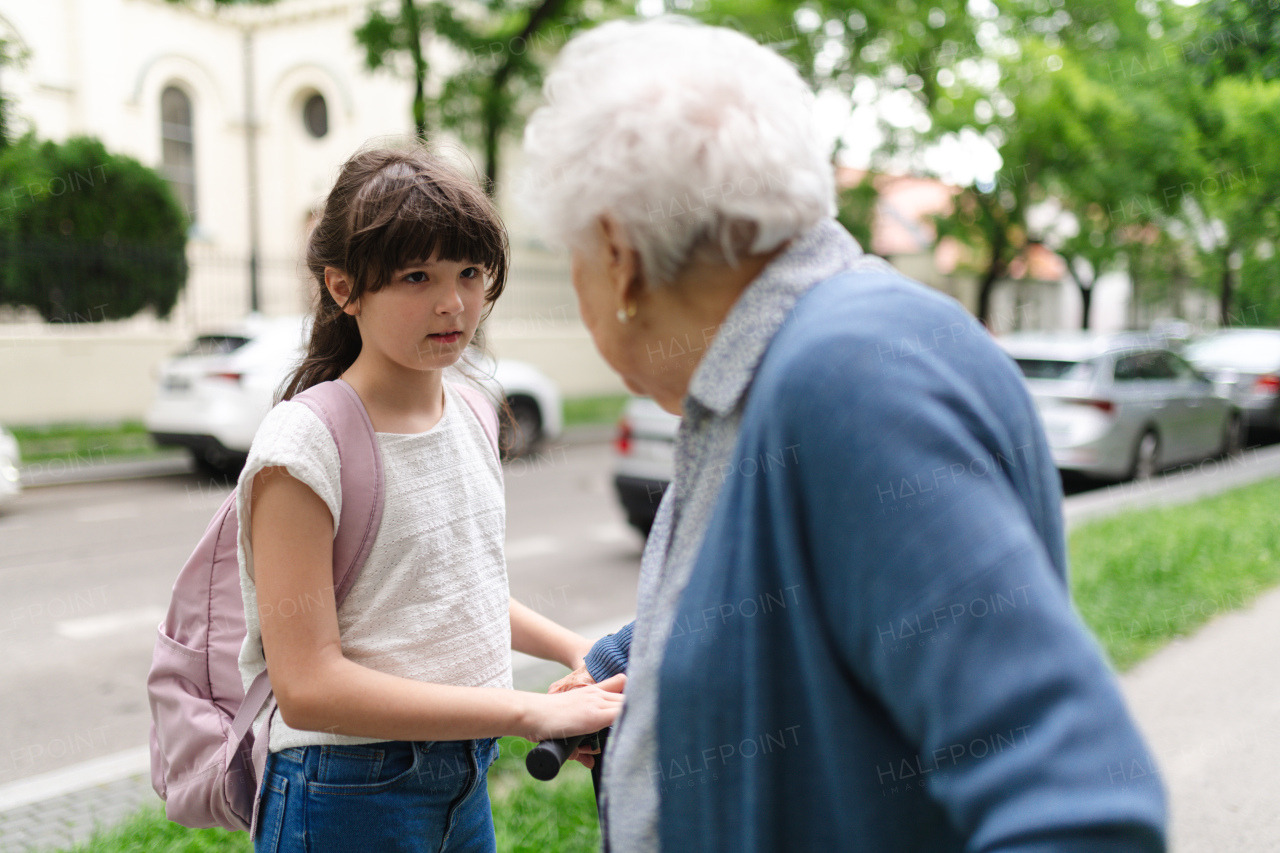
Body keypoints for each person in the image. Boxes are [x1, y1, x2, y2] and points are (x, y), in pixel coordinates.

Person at [521, 17, 1167, 853]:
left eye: (572, 258)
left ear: (618, 254)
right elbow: (819, 602)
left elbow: (1078, 801)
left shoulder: (850, 375)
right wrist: (642, 660)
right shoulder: (778, 365)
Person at [237, 146, 624, 853]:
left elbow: (448, 588)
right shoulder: (305, 443)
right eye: (417, 276)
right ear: (344, 287)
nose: (453, 304)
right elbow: (308, 686)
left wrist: (579, 648)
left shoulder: (472, 408)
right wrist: (526, 711)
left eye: (470, 273)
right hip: (347, 792)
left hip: (462, 775)